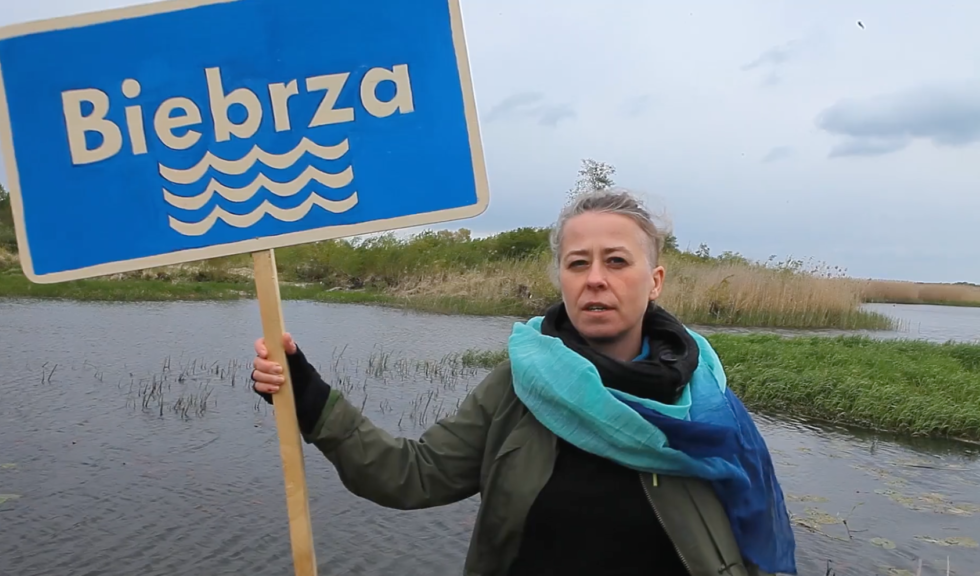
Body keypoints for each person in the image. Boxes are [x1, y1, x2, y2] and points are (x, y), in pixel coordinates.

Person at [251, 189, 797, 576]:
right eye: (578, 263)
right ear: (561, 278)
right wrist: (310, 395)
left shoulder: (705, 401)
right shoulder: (520, 386)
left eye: (616, 261)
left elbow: (753, 530)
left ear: (653, 281)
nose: (596, 279)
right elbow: (411, 475)